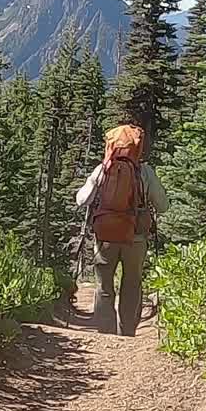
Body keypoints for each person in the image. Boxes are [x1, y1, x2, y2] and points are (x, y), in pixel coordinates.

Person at [75, 124, 169, 336]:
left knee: (103, 284)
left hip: (105, 235)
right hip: (135, 237)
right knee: (132, 283)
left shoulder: (103, 169)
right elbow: (163, 206)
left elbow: (81, 200)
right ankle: (126, 331)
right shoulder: (145, 171)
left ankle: (105, 331)